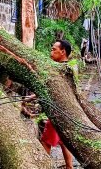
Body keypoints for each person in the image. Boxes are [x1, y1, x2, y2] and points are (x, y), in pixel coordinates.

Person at [41, 40, 73, 169]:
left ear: (63, 51)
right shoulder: (68, 67)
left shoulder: (60, 69)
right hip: (65, 112)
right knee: (64, 141)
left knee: (45, 141)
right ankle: (69, 167)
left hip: (57, 112)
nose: (51, 52)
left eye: (54, 49)